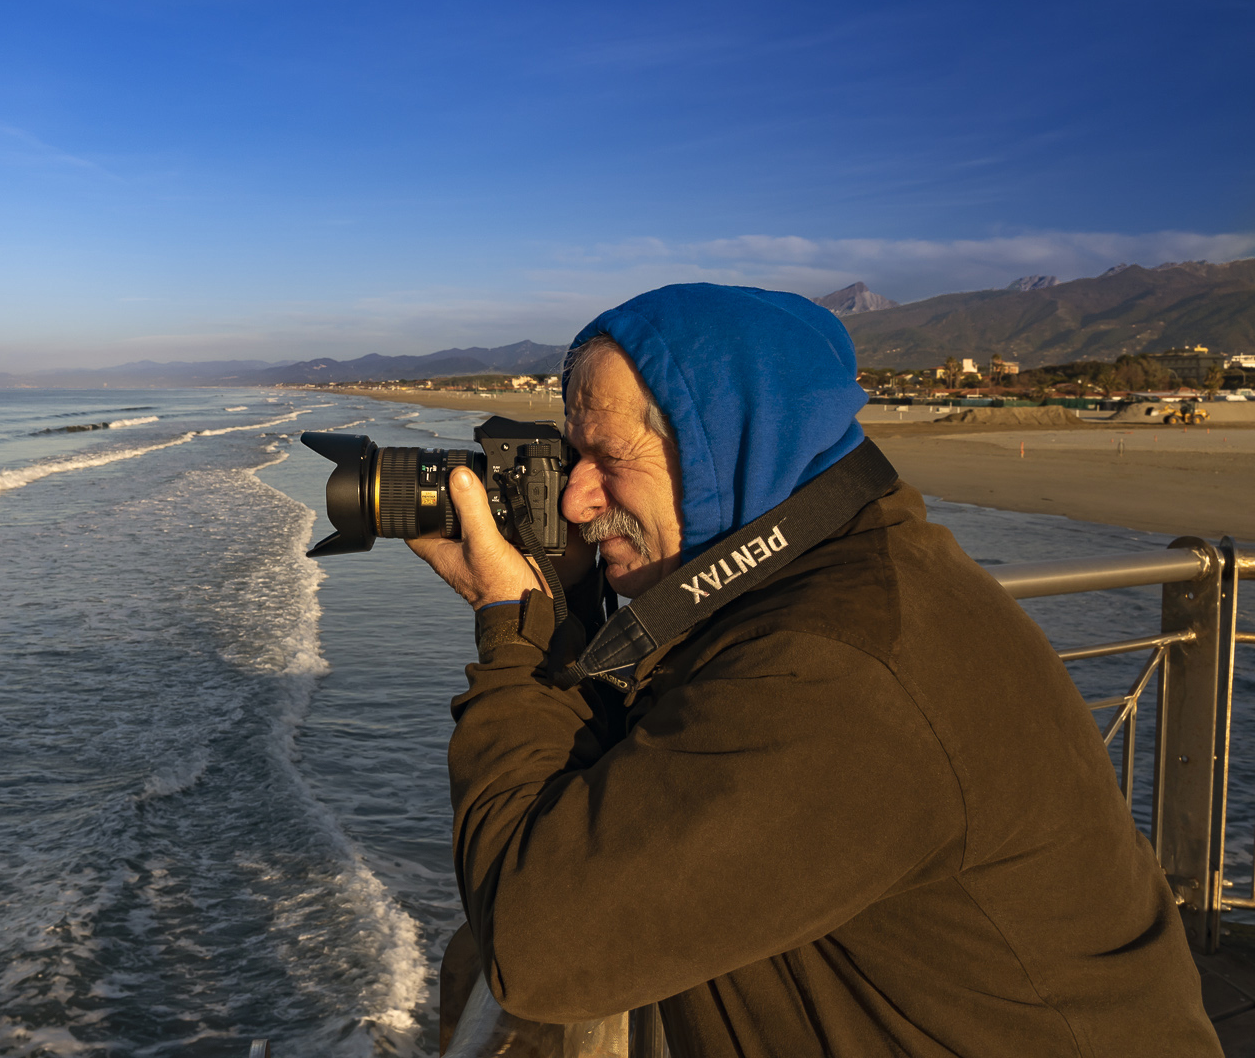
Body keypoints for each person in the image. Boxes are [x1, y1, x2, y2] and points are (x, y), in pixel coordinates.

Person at [408, 284, 1218, 1056]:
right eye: (571, 457)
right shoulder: (837, 582)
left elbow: (540, 946)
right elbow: (651, 801)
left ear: (731, 444)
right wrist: (571, 610)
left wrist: (515, 633)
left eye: (607, 457)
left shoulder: (843, 667)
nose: (579, 501)